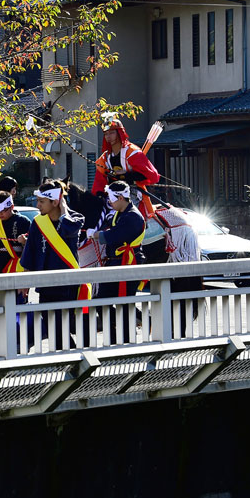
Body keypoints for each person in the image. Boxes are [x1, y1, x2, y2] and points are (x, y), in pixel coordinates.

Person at [20, 180, 87, 350]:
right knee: (53, 327)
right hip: (45, 283)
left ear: (55, 202)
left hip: (68, 283)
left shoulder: (75, 218)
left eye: (42, 201)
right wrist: (25, 281)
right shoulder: (37, 222)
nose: (38, 205)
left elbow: (68, 229)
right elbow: (30, 251)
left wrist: (63, 209)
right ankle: (72, 358)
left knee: (63, 325)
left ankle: (75, 359)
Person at [86, 182, 146, 343]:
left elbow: (115, 235)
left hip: (128, 263)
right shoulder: (119, 214)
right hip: (116, 263)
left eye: (112, 199)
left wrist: (97, 234)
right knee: (102, 301)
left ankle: (126, 341)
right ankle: (113, 336)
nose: (109, 202)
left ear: (120, 197)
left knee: (124, 304)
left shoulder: (133, 216)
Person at [0, 191, 33, 349]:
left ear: (12, 207)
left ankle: (18, 342)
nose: (0, 214)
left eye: (4, 210)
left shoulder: (23, 221)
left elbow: (32, 248)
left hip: (15, 269)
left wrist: (25, 242)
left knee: (15, 308)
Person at [91, 112, 160, 218]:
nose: (108, 136)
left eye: (112, 133)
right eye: (106, 134)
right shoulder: (105, 158)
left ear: (119, 133)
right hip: (112, 196)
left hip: (133, 193)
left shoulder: (132, 152)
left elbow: (151, 175)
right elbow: (99, 183)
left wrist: (127, 174)